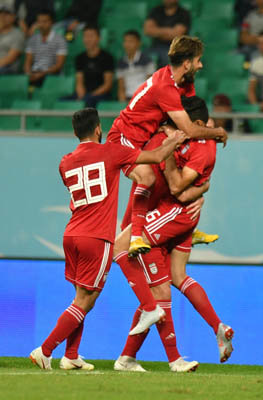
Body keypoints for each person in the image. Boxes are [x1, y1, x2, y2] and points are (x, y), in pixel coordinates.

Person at [28, 108, 187, 371]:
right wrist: (174, 139)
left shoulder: (65, 161)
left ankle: (71, 355)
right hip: (97, 237)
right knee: (85, 301)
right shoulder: (111, 151)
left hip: (71, 234)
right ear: (99, 129)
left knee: (80, 297)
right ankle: (45, 351)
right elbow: (157, 156)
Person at [106, 36, 227, 334]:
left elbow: (191, 114)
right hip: (125, 140)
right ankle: (136, 236)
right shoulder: (165, 85)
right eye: (198, 59)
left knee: (155, 181)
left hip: (147, 144)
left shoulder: (182, 84)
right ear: (187, 62)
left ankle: (125, 355)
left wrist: (198, 189)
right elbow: (187, 127)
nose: (201, 64)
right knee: (147, 178)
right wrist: (217, 131)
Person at [114, 96, 233, 372]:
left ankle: (169, 358)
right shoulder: (172, 132)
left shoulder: (180, 138)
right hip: (164, 211)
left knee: (153, 286)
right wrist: (201, 189)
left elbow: (178, 186)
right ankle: (216, 327)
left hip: (168, 212)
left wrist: (198, 189)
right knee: (176, 278)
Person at [72, 25, 114, 107]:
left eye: (91, 36)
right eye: (85, 36)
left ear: (99, 38)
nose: (88, 39)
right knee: (63, 101)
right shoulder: (79, 58)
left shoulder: (107, 57)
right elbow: (79, 82)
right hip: (84, 94)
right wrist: (81, 96)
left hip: (101, 95)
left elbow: (107, 84)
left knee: (89, 101)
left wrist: (91, 95)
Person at [23, 9, 67, 88]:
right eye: (39, 22)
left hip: (51, 74)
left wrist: (42, 74)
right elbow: (28, 61)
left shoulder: (60, 40)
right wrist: (28, 73)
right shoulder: (32, 39)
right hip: (35, 72)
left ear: (51, 23)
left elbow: (59, 65)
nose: (41, 24)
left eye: (45, 21)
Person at [144, 0, 191, 68]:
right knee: (142, 57)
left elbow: (176, 34)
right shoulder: (156, 11)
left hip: (177, 48)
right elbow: (147, 30)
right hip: (156, 46)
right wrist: (169, 31)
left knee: (168, 57)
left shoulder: (183, 13)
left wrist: (157, 31)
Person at [116, 30, 156, 102]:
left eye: (131, 41)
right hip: (127, 99)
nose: (127, 44)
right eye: (125, 41)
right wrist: (122, 103)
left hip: (143, 98)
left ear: (139, 43)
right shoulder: (120, 63)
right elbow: (121, 87)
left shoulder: (147, 60)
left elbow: (150, 84)